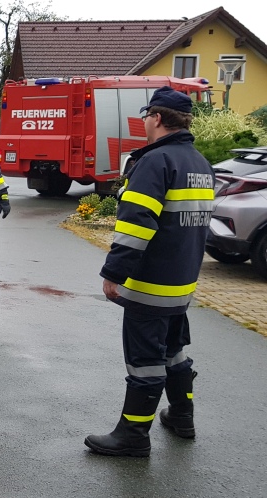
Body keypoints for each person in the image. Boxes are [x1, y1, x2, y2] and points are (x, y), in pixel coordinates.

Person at [85, 87, 214, 457]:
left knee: (145, 361)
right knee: (174, 351)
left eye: (145, 116)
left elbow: (136, 226)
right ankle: (182, 416)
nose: (143, 122)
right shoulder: (200, 163)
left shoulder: (156, 162)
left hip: (151, 283)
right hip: (181, 281)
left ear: (156, 118)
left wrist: (114, 273)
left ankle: (133, 435)